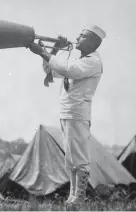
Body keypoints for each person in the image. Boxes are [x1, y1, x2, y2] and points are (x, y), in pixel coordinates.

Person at [27, 25, 106, 210]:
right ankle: (73, 196)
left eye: (83, 36)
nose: (78, 36)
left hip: (77, 113)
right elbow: (50, 69)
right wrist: (52, 50)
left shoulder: (93, 61)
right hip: (67, 112)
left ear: (94, 42)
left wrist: (43, 51)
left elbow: (69, 70)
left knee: (79, 157)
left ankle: (79, 197)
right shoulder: (78, 59)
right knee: (70, 159)